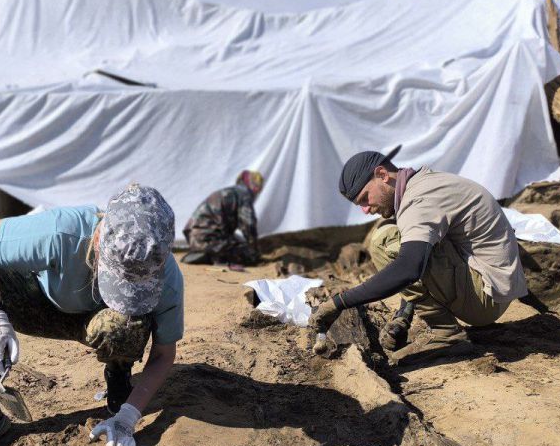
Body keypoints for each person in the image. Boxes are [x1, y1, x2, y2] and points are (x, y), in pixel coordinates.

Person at [0, 183, 183, 446]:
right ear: (97, 238)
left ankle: (119, 377)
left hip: (101, 321)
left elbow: (163, 355)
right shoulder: (62, 231)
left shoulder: (167, 279)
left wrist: (129, 416)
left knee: (125, 324)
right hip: (43, 302)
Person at [311, 147, 527, 359]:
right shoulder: (421, 184)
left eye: (365, 198)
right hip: (491, 285)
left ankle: (445, 333)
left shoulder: (418, 200)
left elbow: (409, 267)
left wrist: (339, 303)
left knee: (385, 240)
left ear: (382, 175)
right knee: (396, 235)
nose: (366, 209)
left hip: (485, 297)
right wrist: (404, 315)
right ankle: (433, 323)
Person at [181, 169, 265, 265]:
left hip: (194, 238)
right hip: (209, 239)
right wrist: (254, 250)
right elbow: (249, 224)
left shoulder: (231, 192)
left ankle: (206, 252)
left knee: (236, 240)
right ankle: (213, 255)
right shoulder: (244, 194)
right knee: (247, 253)